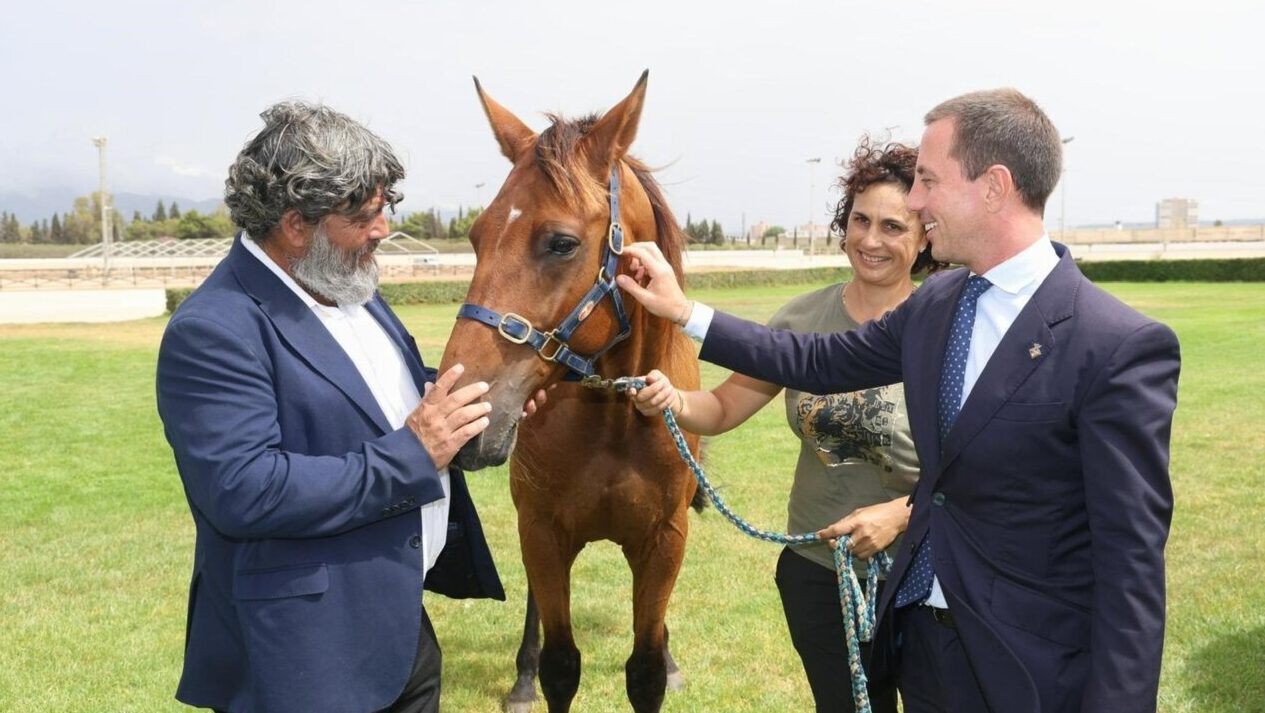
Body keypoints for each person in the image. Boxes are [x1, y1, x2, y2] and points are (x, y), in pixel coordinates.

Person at [616, 88, 1180, 713]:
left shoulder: (1117, 345)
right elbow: (815, 360)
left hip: (1029, 667)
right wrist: (684, 312)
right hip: (919, 644)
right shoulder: (938, 306)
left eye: (927, 183)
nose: (914, 201)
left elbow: (1130, 566)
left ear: (993, 187)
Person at [156, 101, 542, 713]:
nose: (382, 230)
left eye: (385, 209)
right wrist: (413, 454)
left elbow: (378, 395)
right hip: (303, 661)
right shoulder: (215, 328)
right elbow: (243, 489)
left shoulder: (348, 284)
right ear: (295, 225)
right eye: (363, 216)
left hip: (395, 634)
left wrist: (482, 399)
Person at [628, 138, 941, 712]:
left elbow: (981, 465)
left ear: (925, 237)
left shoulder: (944, 330)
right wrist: (674, 400)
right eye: (860, 220)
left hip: (922, 577)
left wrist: (901, 515)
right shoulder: (801, 318)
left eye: (894, 227)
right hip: (819, 573)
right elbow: (722, 409)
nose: (871, 240)